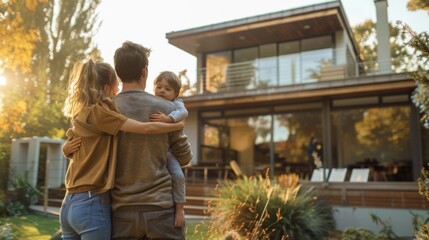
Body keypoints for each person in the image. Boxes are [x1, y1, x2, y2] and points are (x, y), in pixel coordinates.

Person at [59, 59, 184, 240]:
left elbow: (71, 141)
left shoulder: (82, 112)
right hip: (92, 201)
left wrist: (65, 148)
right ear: (108, 87)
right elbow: (146, 128)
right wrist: (177, 125)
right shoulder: (103, 114)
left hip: (69, 202)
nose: (117, 91)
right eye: (116, 86)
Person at [111, 41, 193, 240]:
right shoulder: (166, 107)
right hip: (162, 209)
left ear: (118, 72)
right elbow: (184, 157)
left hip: (121, 211)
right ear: (145, 71)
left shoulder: (106, 109)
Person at [150, 71, 188, 228]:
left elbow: (184, 112)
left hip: (168, 151)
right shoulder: (149, 100)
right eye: (159, 87)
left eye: (167, 89)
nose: (162, 91)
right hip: (150, 150)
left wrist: (168, 119)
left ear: (175, 94)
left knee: (178, 176)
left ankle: (180, 209)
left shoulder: (176, 104)